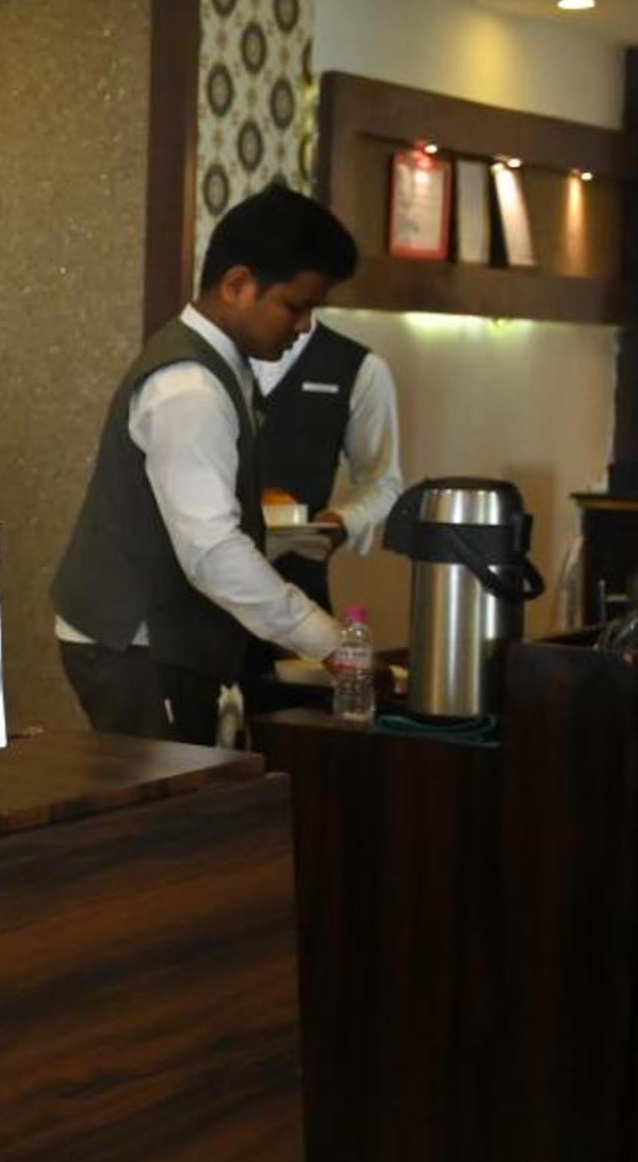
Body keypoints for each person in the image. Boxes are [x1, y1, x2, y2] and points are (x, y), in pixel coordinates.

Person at [50, 185, 358, 744]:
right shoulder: (189, 386)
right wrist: (327, 640)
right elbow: (212, 552)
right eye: (295, 306)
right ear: (238, 284)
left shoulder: (220, 364)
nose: (304, 327)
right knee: (168, 798)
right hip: (135, 643)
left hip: (156, 637)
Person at [242, 315, 404, 714]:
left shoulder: (359, 368)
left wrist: (344, 520)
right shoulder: (216, 355)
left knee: (291, 727)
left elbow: (383, 482)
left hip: (300, 586)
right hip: (207, 595)